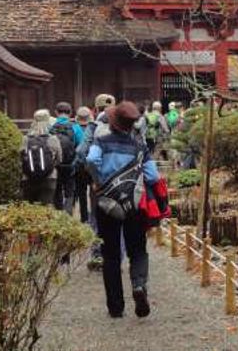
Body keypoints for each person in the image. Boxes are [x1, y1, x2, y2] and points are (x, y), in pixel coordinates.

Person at [86, 101, 160, 319]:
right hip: (134, 204)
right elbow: (153, 176)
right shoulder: (140, 147)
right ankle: (138, 286)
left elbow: (90, 159)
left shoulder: (102, 141)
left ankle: (116, 307)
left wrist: (98, 180)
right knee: (137, 249)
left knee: (110, 254)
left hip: (107, 202)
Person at [74, 93, 116, 269]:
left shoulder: (93, 127)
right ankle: (114, 256)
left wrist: (91, 174)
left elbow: (81, 152)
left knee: (97, 217)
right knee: (116, 216)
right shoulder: (124, 125)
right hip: (118, 180)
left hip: (98, 182)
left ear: (95, 109)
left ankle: (97, 254)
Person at [21, 109, 62, 205]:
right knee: (47, 207)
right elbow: (59, 159)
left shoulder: (25, 139)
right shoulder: (53, 139)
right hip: (49, 177)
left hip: (28, 178)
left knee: (29, 210)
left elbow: (21, 157)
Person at [51, 101, 85, 215]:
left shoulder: (51, 128)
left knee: (57, 189)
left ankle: (58, 215)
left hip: (55, 165)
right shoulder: (75, 127)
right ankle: (68, 215)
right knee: (70, 191)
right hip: (71, 165)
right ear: (70, 113)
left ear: (56, 112)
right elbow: (82, 147)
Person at [74, 106, 93, 223]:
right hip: (92, 163)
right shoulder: (93, 128)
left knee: (81, 192)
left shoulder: (74, 128)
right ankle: (94, 217)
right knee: (93, 191)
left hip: (79, 165)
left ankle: (84, 217)